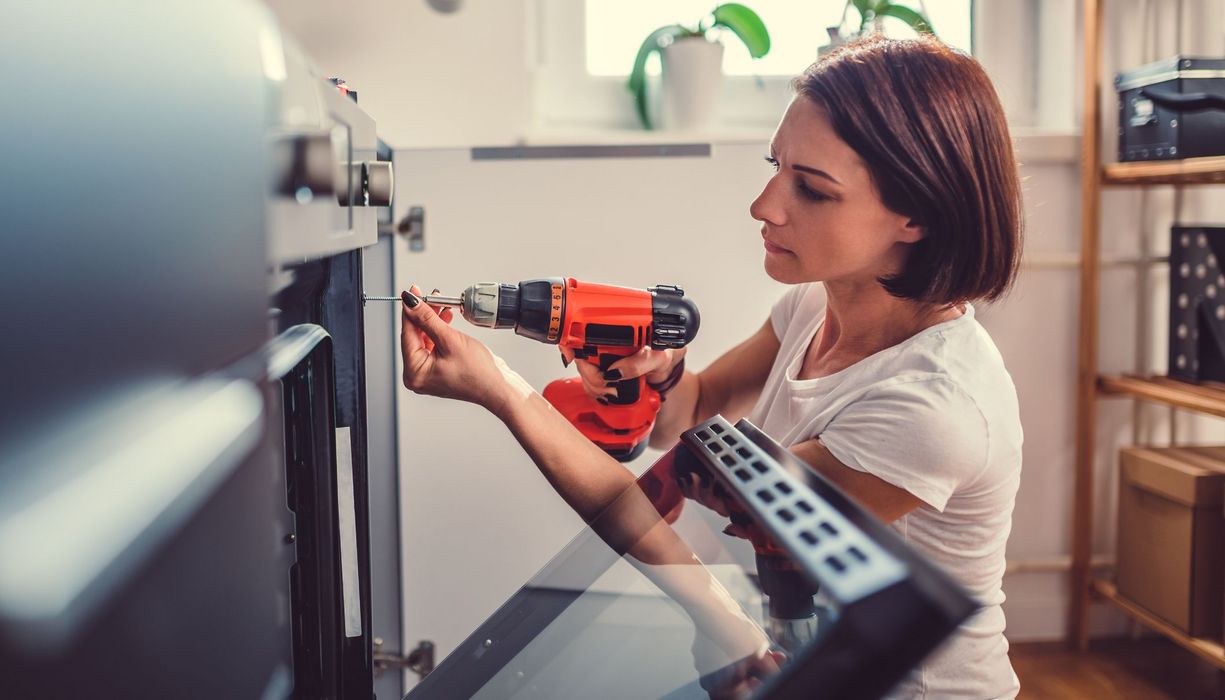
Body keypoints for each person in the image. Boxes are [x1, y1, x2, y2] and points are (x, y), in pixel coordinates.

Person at [399, 33, 1023, 699]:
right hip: (787, 651)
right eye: (775, 166)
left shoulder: (929, 408)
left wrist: (498, 387)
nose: (764, 206)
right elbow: (689, 414)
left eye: (810, 189)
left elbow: (653, 525)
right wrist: (661, 376)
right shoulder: (813, 305)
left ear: (915, 216)